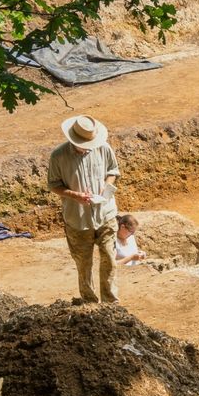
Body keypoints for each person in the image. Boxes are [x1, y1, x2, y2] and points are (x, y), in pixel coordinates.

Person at [47, 115, 121, 304]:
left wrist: (106, 186)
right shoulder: (58, 156)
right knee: (83, 264)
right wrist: (74, 195)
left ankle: (110, 302)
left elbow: (113, 170)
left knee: (110, 259)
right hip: (77, 219)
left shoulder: (103, 148)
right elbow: (53, 185)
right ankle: (89, 303)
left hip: (105, 214)